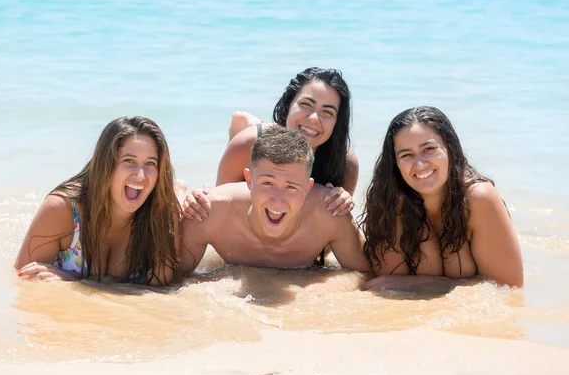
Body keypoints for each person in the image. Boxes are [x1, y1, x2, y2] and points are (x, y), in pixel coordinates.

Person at [360, 106, 523, 289]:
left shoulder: (478, 200)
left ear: (449, 148)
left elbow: (508, 287)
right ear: (395, 164)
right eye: (406, 155)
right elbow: (386, 281)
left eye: (429, 149)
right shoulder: (390, 200)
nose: (420, 164)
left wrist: (428, 282)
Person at [180, 125, 372, 275]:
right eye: (267, 183)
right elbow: (170, 277)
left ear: (307, 188)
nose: (277, 201)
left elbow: (367, 274)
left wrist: (326, 286)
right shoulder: (207, 210)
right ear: (249, 180)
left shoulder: (330, 212)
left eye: (291, 187)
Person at [15, 116, 181, 285]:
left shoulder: (163, 213)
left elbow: (161, 292)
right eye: (129, 161)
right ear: (105, 163)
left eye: (150, 163)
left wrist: (72, 282)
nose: (140, 175)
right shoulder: (62, 209)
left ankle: (178, 189)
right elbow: (21, 282)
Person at [183, 67, 359, 221]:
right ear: (288, 104)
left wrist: (339, 208)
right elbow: (219, 216)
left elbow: (327, 245)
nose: (313, 118)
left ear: (337, 123)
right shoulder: (246, 145)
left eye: (327, 112)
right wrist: (197, 202)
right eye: (306, 104)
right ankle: (241, 125)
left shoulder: (344, 163)